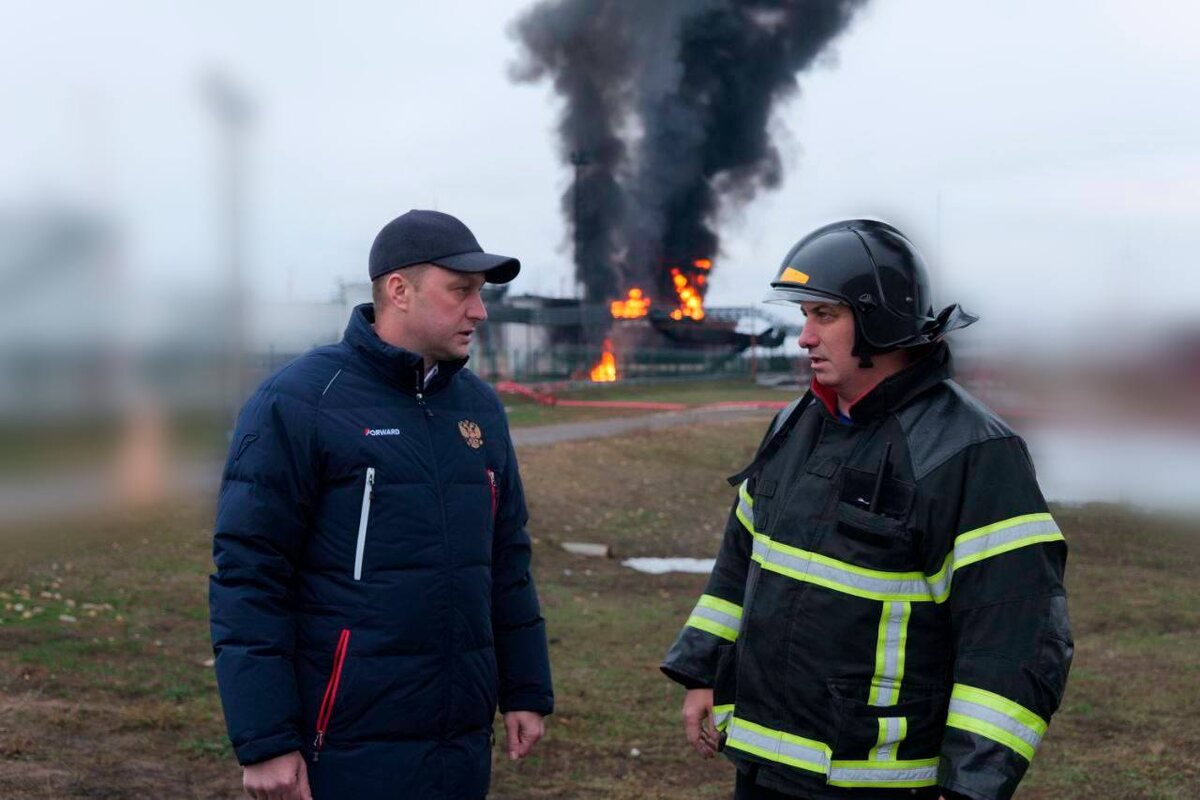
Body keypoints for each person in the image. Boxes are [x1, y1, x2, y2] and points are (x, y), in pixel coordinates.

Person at [661, 219, 1072, 800]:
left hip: (876, 782)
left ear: (879, 321)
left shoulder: (971, 453)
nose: (804, 337)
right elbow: (743, 555)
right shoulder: (796, 423)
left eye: (824, 316)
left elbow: (1014, 637)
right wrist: (703, 668)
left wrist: (969, 787)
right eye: (805, 316)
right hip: (761, 765)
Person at [210, 209, 553, 800]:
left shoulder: (479, 409)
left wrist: (524, 687)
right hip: (344, 745)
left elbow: (505, 560)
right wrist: (266, 739)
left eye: (481, 294)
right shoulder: (299, 401)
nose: (480, 310)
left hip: (459, 745)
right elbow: (249, 576)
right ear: (399, 290)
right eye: (461, 291)